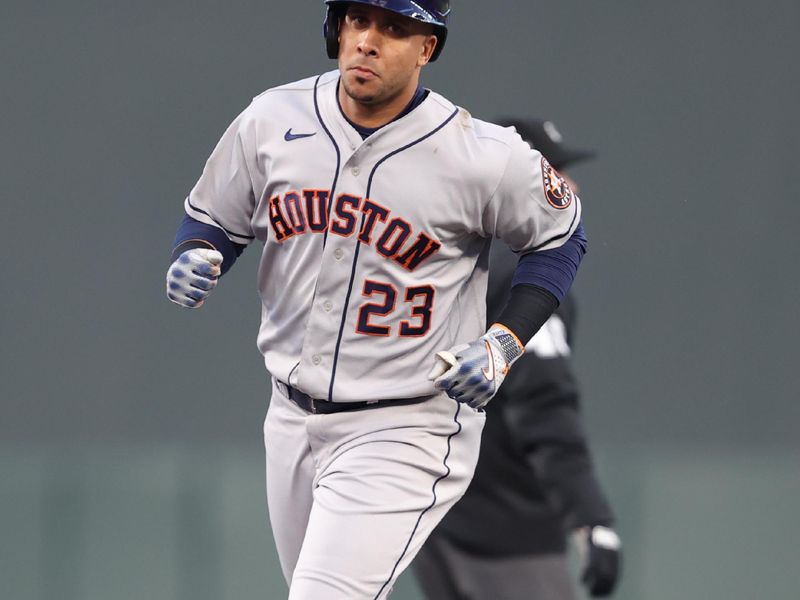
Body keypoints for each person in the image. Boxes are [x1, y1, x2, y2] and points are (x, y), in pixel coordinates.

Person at [164, 2, 587, 598]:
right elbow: (215, 217)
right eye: (359, 20)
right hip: (290, 414)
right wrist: (198, 251)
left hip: (405, 423)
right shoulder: (272, 118)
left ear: (427, 48)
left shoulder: (483, 154)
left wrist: (504, 340)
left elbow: (561, 238)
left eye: (394, 28)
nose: (368, 41)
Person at [413, 118, 621, 599]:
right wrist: (590, 518)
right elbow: (546, 406)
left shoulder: (436, 258)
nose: (569, 186)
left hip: (434, 513)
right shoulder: (529, 283)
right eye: (554, 171)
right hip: (507, 543)